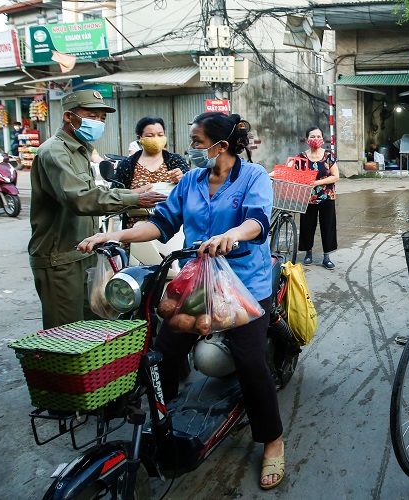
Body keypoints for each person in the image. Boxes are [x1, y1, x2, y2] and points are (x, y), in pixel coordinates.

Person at [77, 111, 286, 490]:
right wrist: (115, 237)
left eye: (196, 142)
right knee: (165, 350)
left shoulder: (254, 177)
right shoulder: (189, 180)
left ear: (221, 146)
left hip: (244, 285)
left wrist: (232, 235)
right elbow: (160, 223)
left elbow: (256, 221)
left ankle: (272, 439)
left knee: (250, 361)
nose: (189, 149)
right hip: (197, 282)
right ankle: (164, 419)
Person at [28, 90, 167, 330]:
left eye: (102, 118)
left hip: (83, 251)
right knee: (66, 335)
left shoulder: (80, 150)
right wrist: (135, 198)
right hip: (60, 258)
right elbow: (81, 199)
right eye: (92, 116)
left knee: (92, 328)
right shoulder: (55, 152)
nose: (98, 123)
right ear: (69, 117)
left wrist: (133, 195)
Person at [113, 116, 189, 229]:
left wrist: (182, 179)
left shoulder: (176, 161)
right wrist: (135, 197)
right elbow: (115, 197)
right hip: (134, 228)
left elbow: (191, 191)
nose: (156, 139)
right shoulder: (127, 164)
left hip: (171, 227)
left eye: (160, 135)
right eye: (150, 135)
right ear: (139, 138)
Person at [297, 126, 339, 269]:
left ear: (322, 138)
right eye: (312, 137)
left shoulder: (328, 156)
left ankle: (326, 256)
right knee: (307, 226)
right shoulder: (301, 157)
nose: (316, 139)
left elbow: (335, 176)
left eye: (318, 136)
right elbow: (288, 170)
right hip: (307, 198)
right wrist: (267, 174)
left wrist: (316, 183)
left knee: (328, 226)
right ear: (307, 139)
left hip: (327, 197)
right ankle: (308, 253)